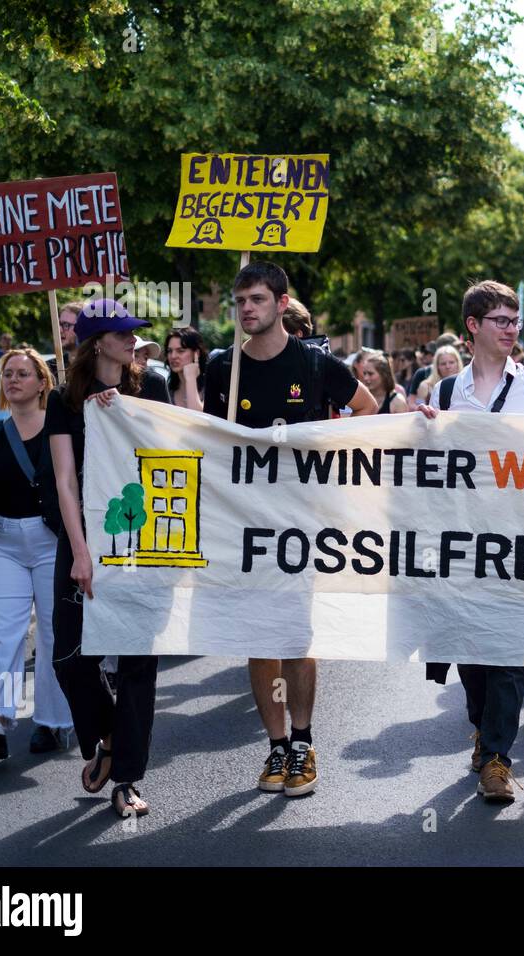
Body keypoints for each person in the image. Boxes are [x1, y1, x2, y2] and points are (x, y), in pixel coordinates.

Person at [203, 261, 376, 799]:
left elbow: (368, 408)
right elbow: (207, 436)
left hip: (302, 522)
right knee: (258, 640)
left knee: (297, 638)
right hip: (248, 524)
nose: (246, 310)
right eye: (240, 302)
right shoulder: (222, 368)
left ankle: (303, 742)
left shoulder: (317, 364)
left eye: (256, 300)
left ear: (282, 304)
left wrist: (325, 450)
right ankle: (275, 746)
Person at [417, 279, 524, 802]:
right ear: (473, 326)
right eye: (501, 320)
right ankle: (481, 726)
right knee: (470, 651)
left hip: (519, 538)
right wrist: (425, 429)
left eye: (515, 319)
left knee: (507, 649)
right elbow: (427, 462)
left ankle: (499, 757)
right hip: (462, 540)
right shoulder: (448, 393)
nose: (512, 329)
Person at [46, 299, 171, 814]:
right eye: (123, 333)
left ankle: (127, 781)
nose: (133, 341)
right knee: (70, 658)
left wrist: (128, 416)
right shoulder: (63, 399)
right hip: (85, 544)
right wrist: (79, 552)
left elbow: (175, 452)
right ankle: (110, 738)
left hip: (141, 544)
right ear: (98, 342)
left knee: (139, 663)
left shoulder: (152, 387)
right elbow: (64, 480)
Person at [0, 349, 73, 759]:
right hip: (4, 543)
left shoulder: (60, 430)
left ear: (42, 382)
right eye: (8, 374)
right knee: (4, 635)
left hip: (50, 542)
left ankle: (52, 721)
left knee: (50, 633)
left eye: (23, 374)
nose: (12, 380)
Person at [164, 327, 205, 411]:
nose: (173, 356)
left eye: (180, 351)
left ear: (196, 353)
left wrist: (191, 378)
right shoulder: (167, 390)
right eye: (169, 351)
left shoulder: (211, 387)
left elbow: (197, 417)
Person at [47, 301, 82, 382]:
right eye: (59, 324)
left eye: (66, 325)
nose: (59, 330)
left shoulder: (99, 366)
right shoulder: (49, 368)